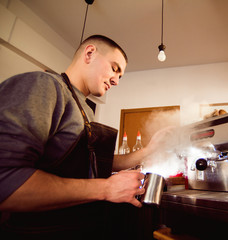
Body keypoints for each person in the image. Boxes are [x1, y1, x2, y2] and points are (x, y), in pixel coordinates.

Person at [0, 35, 171, 238]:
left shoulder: (85, 109)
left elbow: (94, 162)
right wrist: (106, 188)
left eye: (121, 76)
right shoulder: (43, 86)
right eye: (115, 68)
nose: (116, 80)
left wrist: (149, 150)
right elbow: (6, 182)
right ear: (89, 53)